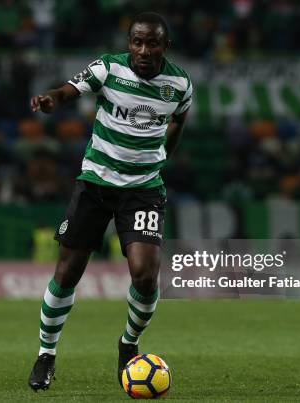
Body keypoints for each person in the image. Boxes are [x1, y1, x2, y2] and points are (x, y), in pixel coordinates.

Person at [27, 12, 193, 391]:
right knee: (68, 273)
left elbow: (179, 121)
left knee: (146, 275)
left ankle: (128, 345)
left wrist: (163, 155)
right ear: (128, 43)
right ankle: (46, 355)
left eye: (152, 43)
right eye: (137, 41)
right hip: (96, 184)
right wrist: (51, 100)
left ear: (165, 46)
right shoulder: (108, 69)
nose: (143, 50)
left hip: (144, 190)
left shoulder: (180, 84)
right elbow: (68, 90)